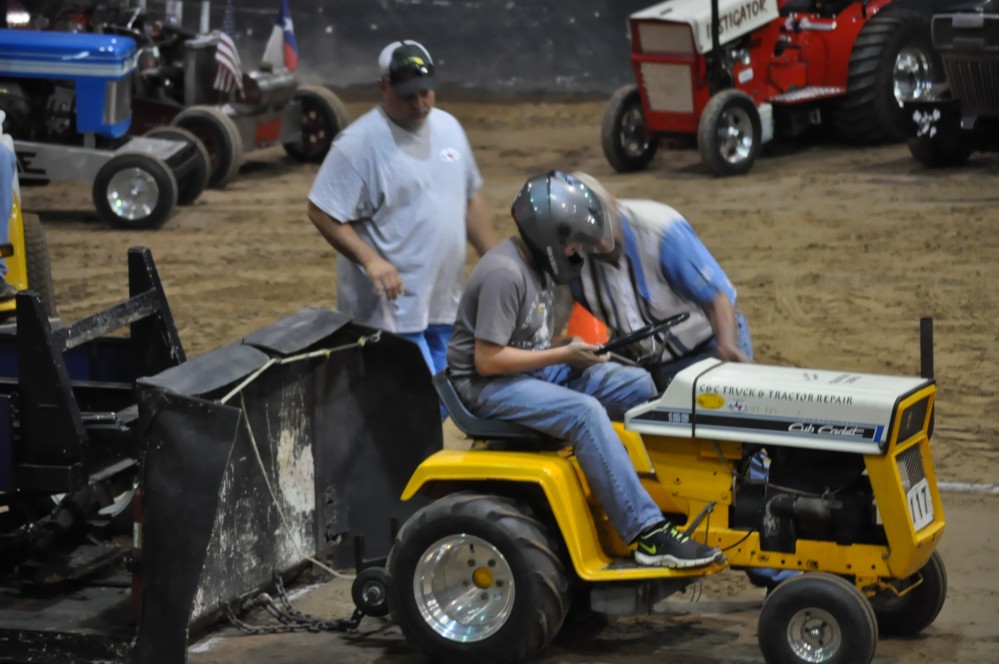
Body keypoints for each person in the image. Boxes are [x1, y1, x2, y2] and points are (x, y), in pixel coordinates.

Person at [446, 170, 724, 568]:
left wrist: (571, 347)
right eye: (575, 240)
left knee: (637, 384)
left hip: (527, 372)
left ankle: (667, 496)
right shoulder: (503, 274)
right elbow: (487, 360)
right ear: (550, 237)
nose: (580, 249)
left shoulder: (538, 266)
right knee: (585, 413)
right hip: (486, 386)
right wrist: (564, 355)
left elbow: (528, 340)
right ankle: (646, 534)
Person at [307, 40, 496, 375]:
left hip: (441, 304)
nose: (420, 103)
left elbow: (468, 197)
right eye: (408, 94)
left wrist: (492, 256)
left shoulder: (449, 128)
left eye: (426, 92)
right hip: (389, 314)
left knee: (439, 402)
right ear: (384, 86)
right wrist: (371, 260)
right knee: (411, 406)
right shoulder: (359, 144)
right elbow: (322, 210)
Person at [565, 172, 751, 391]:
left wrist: (727, 345)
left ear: (614, 204)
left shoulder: (660, 233)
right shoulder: (568, 261)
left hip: (708, 348)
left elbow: (717, 299)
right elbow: (546, 330)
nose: (603, 242)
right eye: (588, 234)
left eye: (602, 224)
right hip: (639, 364)